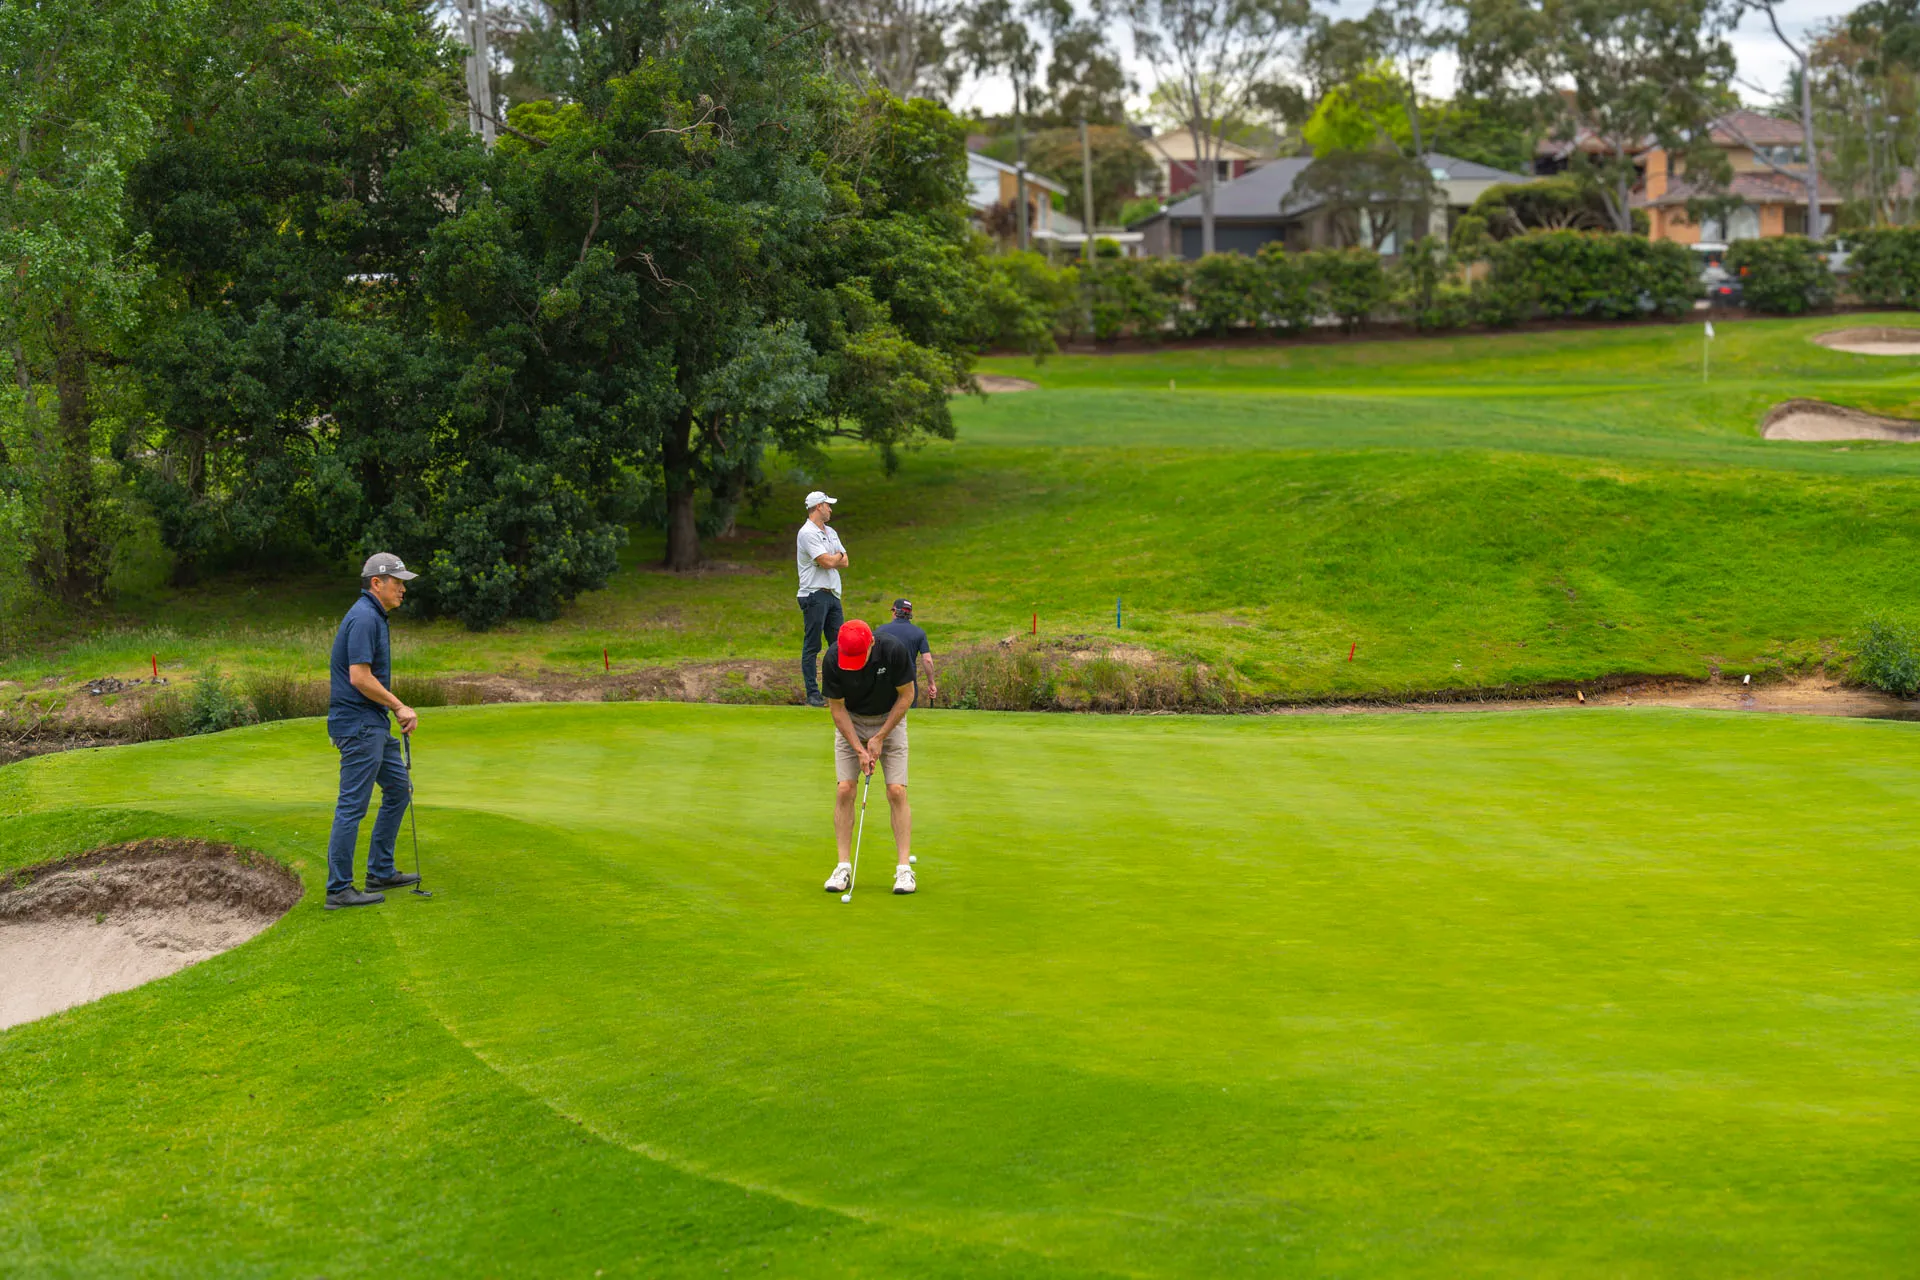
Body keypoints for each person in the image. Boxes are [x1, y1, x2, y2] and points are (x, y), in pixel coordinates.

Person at [323, 553, 424, 910]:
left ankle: (380, 870)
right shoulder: (365, 617)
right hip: (359, 725)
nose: (402, 589)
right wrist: (399, 705)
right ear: (376, 583)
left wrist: (390, 709)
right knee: (352, 806)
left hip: (372, 723)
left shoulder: (375, 616)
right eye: (397, 582)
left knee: (398, 790)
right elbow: (359, 677)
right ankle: (339, 889)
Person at [820, 619, 917, 896]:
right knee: (845, 789)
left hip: (890, 719)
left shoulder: (893, 651)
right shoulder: (832, 659)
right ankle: (842, 867)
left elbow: (907, 696)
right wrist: (860, 749)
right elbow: (837, 709)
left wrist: (880, 737)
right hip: (852, 722)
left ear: (871, 644)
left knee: (896, 791)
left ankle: (904, 870)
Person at [796, 490, 848, 709]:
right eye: (828, 505)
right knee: (813, 645)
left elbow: (844, 561)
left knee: (840, 646)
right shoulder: (807, 533)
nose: (830, 509)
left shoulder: (831, 531)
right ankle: (813, 694)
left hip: (833, 594)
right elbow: (826, 562)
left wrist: (831, 559)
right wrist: (831, 559)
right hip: (814, 594)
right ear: (818, 506)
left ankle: (835, 691)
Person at [876, 598, 936, 707]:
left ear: (894, 611)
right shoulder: (919, 633)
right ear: (910, 613)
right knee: (909, 716)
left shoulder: (880, 631)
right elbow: (927, 660)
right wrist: (931, 683)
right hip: (908, 680)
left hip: (884, 680)